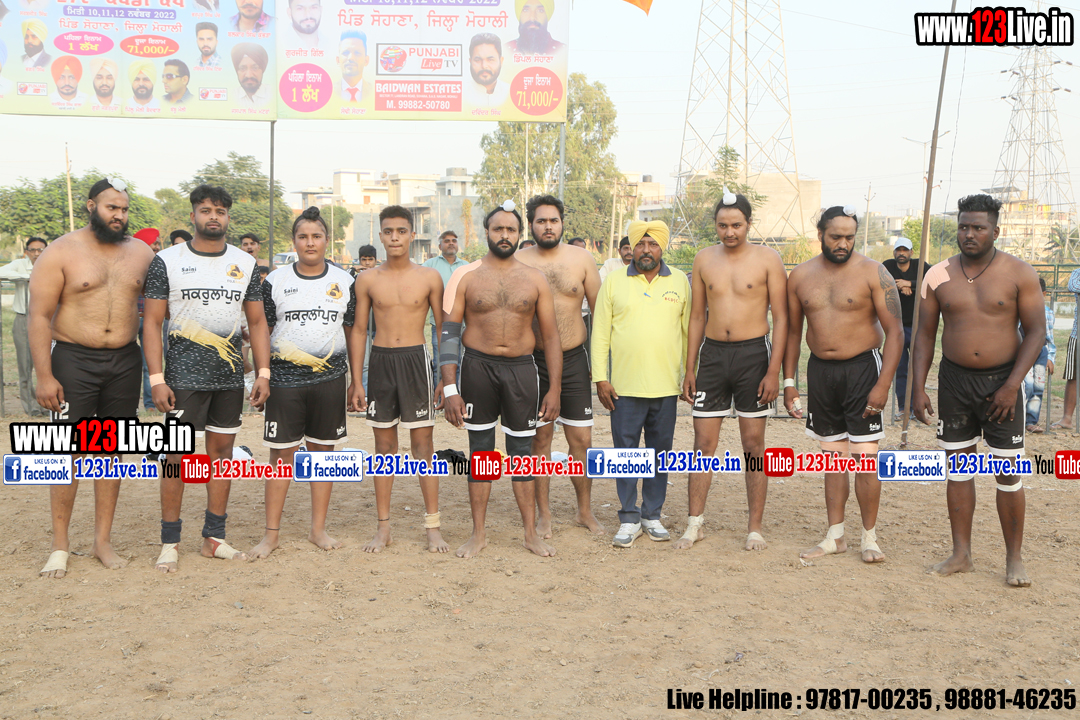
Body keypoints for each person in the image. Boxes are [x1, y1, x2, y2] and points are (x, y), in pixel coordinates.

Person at [911, 194, 1044, 587]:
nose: (969, 234)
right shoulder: (937, 275)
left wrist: (1012, 385)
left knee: (1009, 473)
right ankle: (961, 554)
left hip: (1003, 382)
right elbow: (924, 336)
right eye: (963, 227)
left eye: (978, 228)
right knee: (958, 470)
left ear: (995, 231)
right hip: (954, 382)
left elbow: (1036, 332)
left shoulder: (1019, 273)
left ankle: (1014, 559)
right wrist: (918, 387)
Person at [29, 178, 156, 578]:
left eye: (124, 209)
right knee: (67, 452)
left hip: (125, 360)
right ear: (90, 206)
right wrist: (44, 376)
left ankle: (103, 541)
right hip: (73, 360)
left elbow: (161, 307)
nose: (119, 215)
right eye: (111, 207)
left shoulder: (142, 253)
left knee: (110, 452)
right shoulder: (61, 251)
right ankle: (60, 546)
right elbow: (38, 316)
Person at [143, 184, 271, 572]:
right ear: (193, 215)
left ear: (228, 217)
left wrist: (262, 373)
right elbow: (151, 322)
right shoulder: (167, 260)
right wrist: (156, 379)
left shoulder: (244, 263)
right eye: (205, 210)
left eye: (220, 211)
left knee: (222, 457)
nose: (213, 216)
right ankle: (170, 542)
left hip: (228, 378)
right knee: (175, 458)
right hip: (181, 379)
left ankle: (214, 539)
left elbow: (257, 321)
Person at [782, 206, 903, 564]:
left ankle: (869, 537)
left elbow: (895, 332)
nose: (843, 243)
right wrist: (789, 382)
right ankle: (835, 536)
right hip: (821, 372)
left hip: (863, 369)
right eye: (836, 236)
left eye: (849, 237)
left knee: (865, 458)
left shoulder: (874, 272)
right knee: (832, 457)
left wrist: (883, 385)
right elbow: (792, 333)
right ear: (820, 234)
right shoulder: (800, 276)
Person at [442, 200, 562, 558]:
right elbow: (448, 333)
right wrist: (450, 388)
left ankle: (530, 534)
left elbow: (551, 336)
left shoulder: (535, 278)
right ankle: (478, 534)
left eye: (511, 229)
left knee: (522, 452)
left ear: (520, 234)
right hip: (477, 368)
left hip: (522, 370)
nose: (505, 235)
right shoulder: (466, 276)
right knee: (481, 452)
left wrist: (555, 389)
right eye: (498, 229)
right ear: (487, 232)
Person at [678, 192, 787, 551]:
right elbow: (697, 316)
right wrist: (690, 366)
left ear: (748, 224)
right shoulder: (703, 258)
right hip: (712, 356)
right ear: (715, 225)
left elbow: (782, 318)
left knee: (753, 444)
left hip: (753, 355)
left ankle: (754, 527)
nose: (729, 232)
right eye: (723, 225)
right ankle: (695, 524)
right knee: (702, 444)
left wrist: (773, 371)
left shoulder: (768, 259)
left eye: (736, 225)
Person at [249, 207, 358, 560]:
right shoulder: (275, 281)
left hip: (330, 381)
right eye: (303, 236)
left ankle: (318, 529)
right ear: (293, 241)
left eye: (316, 236)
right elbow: (261, 329)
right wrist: (263, 374)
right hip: (284, 382)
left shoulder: (345, 281)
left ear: (327, 240)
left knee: (323, 454)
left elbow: (353, 331)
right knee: (282, 456)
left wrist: (356, 380)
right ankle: (271, 535)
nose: (310, 243)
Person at [353, 206, 449, 553]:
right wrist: (357, 380)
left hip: (415, 362)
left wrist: (445, 377)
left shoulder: (429, 277)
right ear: (380, 235)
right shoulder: (367, 279)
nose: (394, 237)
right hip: (381, 362)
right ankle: (384, 528)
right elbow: (359, 330)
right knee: (384, 448)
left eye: (401, 231)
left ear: (412, 235)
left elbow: (441, 330)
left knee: (423, 447)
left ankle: (433, 527)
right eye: (388, 231)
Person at [592, 220, 690, 548]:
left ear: (663, 247)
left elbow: (688, 332)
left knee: (660, 454)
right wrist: (601, 378)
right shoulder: (614, 281)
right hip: (623, 388)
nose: (646, 250)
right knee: (626, 454)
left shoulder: (679, 281)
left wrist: (690, 373)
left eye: (653, 244)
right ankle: (629, 518)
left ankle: (652, 515)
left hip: (666, 387)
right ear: (632, 248)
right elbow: (600, 332)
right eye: (640, 244)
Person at [515, 195, 603, 537]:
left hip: (575, 359)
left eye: (553, 220)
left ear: (562, 223)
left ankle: (584, 511)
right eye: (541, 221)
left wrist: (600, 366)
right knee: (541, 439)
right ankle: (545, 514)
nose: (548, 227)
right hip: (533, 362)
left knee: (581, 438)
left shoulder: (582, 259)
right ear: (531, 225)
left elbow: (601, 314)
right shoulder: (519, 261)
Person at [0, 237, 47, 416]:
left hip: (47, 321)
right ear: (26, 252)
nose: (36, 253)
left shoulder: (50, 264)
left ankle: (48, 404)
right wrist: (27, 277)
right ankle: (31, 406)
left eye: (40, 249)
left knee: (48, 364)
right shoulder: (20, 265)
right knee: (25, 365)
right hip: (24, 319)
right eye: (32, 250)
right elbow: (2, 272)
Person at [881, 237, 923, 418]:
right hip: (896, 327)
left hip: (917, 327)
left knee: (917, 368)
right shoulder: (887, 266)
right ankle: (903, 407)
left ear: (911, 252)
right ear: (894, 252)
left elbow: (931, 281)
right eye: (899, 250)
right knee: (900, 368)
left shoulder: (920, 266)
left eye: (905, 250)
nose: (902, 253)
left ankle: (917, 405)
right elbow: (880, 282)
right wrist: (899, 284)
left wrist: (910, 283)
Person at [422, 230, 467, 382]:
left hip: (462, 325)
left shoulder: (466, 267)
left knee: (458, 364)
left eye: (454, 240)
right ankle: (439, 394)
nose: (451, 243)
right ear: (440, 245)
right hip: (440, 324)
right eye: (447, 241)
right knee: (440, 364)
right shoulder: (430, 266)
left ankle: (456, 393)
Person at [134, 227, 162, 411]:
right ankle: (130, 404)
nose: (157, 247)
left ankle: (151, 404)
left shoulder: (160, 265)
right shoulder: (131, 264)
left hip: (151, 320)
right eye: (154, 243)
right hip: (130, 320)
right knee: (129, 364)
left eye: (158, 243)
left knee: (149, 364)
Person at [1023, 278, 1056, 433]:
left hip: (1041, 352)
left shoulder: (1048, 313)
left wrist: (1050, 357)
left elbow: (1049, 338)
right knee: (1027, 384)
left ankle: (1031, 421)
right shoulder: (1020, 310)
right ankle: (1019, 417)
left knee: (1038, 386)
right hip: (1024, 351)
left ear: (1044, 294)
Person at [1052, 266, 1080, 430]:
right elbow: (1073, 285)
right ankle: (1067, 418)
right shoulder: (1077, 272)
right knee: (1073, 376)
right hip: (1078, 335)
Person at [465, 33, 509, 107]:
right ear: (470, 61)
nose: (484, 66)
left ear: (501, 61)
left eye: (490, 60)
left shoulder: (511, 93)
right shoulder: (461, 94)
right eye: (478, 60)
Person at [337, 30, 373, 105]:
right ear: (338, 60)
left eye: (357, 53)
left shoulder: (374, 92)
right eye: (346, 53)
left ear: (366, 60)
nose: (351, 58)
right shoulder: (327, 91)